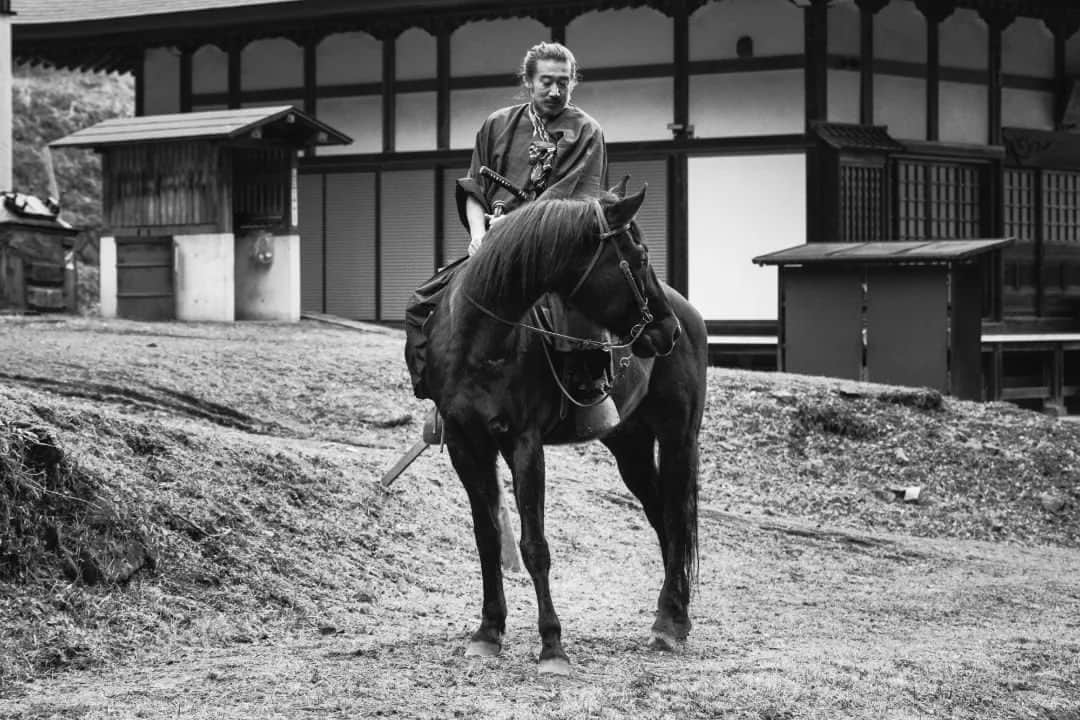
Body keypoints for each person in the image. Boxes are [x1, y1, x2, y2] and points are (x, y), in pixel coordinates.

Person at [453, 41, 618, 437]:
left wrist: (512, 230)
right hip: (492, 247)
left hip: (558, 250)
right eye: (546, 82)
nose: (555, 91)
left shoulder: (587, 132)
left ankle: (586, 395)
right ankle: (446, 396)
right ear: (529, 82)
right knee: (428, 306)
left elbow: (573, 200)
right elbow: (474, 188)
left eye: (564, 82)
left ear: (573, 83)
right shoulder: (497, 125)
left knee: (581, 314)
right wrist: (479, 236)